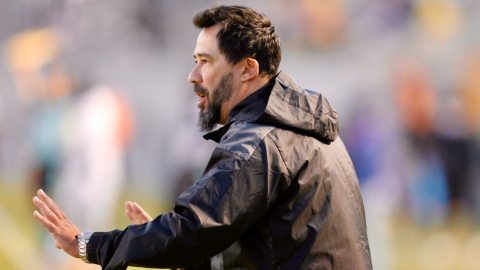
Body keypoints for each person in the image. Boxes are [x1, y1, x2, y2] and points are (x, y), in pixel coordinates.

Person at [33, 5, 372, 270]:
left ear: (248, 69)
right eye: (196, 61)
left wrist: (84, 243)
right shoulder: (304, 128)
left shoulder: (260, 141)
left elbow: (193, 230)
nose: (193, 75)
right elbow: (269, 247)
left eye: (206, 62)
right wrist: (183, 251)